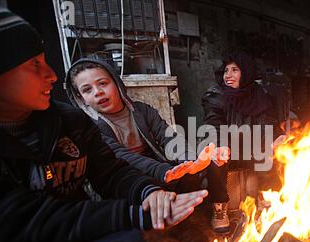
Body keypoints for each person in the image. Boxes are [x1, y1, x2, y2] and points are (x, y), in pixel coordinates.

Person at [0, 6, 207, 242]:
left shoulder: (74, 120)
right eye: (33, 64)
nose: (51, 75)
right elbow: (22, 220)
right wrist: (146, 197)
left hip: (79, 240)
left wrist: (165, 178)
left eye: (103, 84)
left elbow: (113, 170)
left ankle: (186, 217)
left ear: (117, 85)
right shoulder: (96, 123)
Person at [65, 58, 230, 192]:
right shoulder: (91, 127)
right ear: (81, 99)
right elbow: (123, 156)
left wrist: (191, 162)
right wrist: (163, 171)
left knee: (203, 167)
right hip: (126, 178)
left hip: (159, 168)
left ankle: (202, 216)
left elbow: (169, 138)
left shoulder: (141, 110)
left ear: (116, 83)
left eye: (103, 83)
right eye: (87, 90)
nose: (97, 92)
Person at [201, 52, 284, 233]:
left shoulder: (259, 95)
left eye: (234, 70)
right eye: (226, 71)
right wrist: (220, 144)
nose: (228, 75)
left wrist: (278, 137)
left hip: (249, 148)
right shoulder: (216, 95)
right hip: (226, 148)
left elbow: (268, 124)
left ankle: (264, 199)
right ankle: (220, 208)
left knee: (272, 153)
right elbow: (213, 123)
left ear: (246, 73)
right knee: (214, 158)